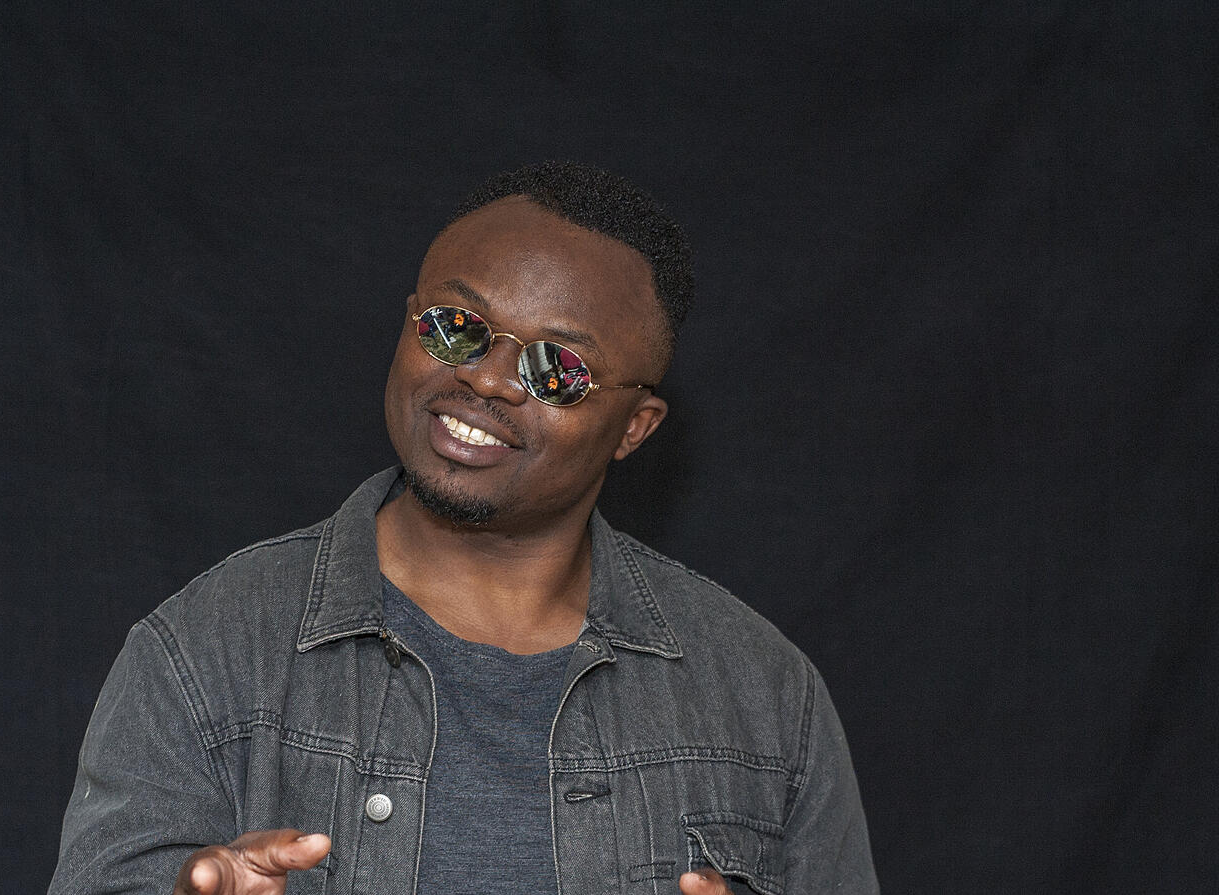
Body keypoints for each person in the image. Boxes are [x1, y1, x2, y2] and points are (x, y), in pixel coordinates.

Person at [49, 161, 877, 895]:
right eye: (457, 327)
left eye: (556, 368)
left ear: (635, 427)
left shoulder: (767, 698)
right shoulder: (205, 653)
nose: (486, 379)